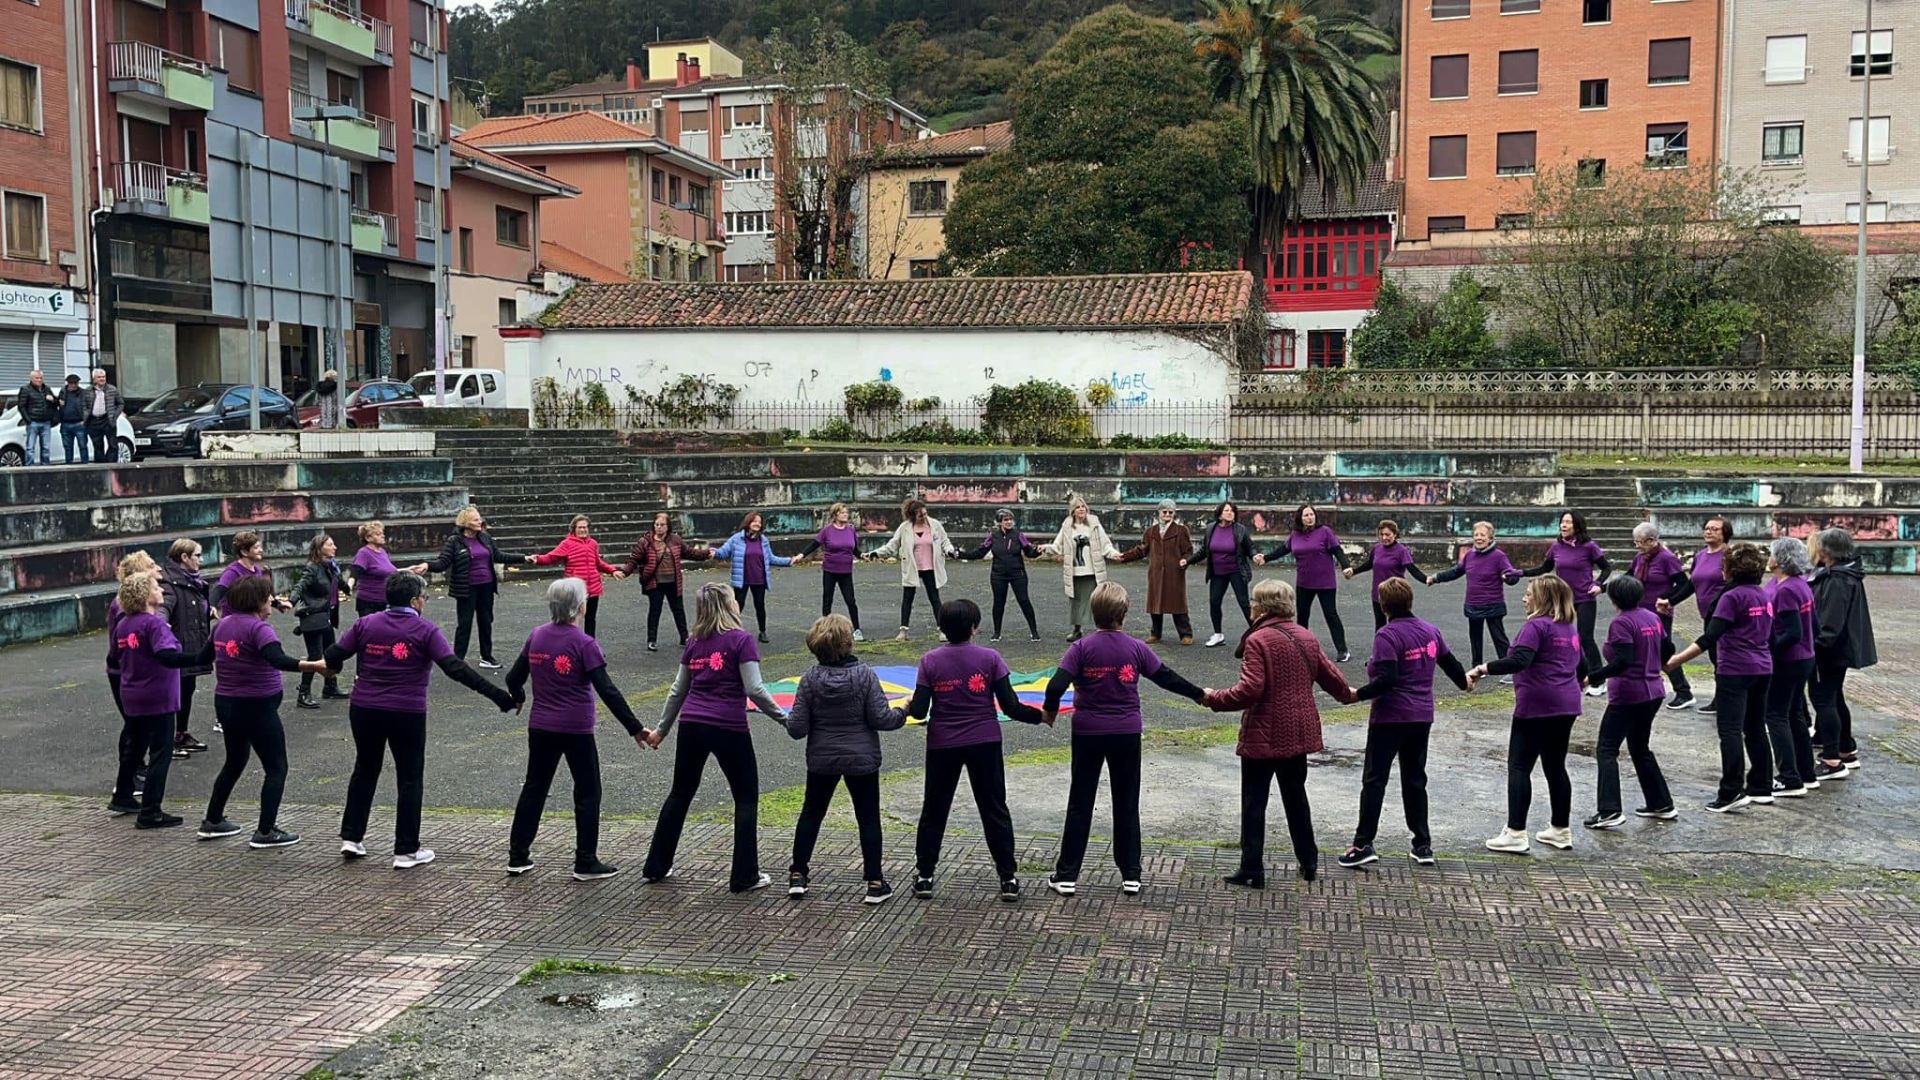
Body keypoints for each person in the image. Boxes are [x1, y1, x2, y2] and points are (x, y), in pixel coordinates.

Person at [317, 571, 516, 867]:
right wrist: (498, 695)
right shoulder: (425, 631)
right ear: (414, 601)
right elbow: (455, 668)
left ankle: (352, 837)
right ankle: (406, 849)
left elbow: (334, 654)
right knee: (409, 777)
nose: (425, 602)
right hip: (406, 710)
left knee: (365, 768)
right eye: (424, 597)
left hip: (365, 708)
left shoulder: (365, 624)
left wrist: (329, 667)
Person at [1041, 583, 1205, 897]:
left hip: (1088, 731)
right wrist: (1198, 694)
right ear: (1125, 614)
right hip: (1127, 732)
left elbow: (1055, 685)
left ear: (1093, 613)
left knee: (1080, 802)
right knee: (1126, 801)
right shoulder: (1136, 648)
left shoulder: (1081, 648)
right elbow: (1166, 677)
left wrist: (1050, 712)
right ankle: (1131, 874)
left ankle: (1066, 875)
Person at [642, 583, 788, 893]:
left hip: (692, 725)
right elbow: (754, 689)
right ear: (727, 606)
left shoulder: (695, 641)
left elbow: (678, 690)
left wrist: (661, 730)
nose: (738, 604)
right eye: (735, 600)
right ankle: (744, 875)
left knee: (680, 793)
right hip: (728, 727)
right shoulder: (742, 641)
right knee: (745, 797)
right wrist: (786, 719)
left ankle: (656, 865)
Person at [1204, 579, 1352, 886]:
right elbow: (1335, 681)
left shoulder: (1258, 641)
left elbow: (1249, 690)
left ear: (1260, 608)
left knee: (1254, 801)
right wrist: (1359, 694)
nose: (1250, 608)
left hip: (1263, 731)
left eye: (1252, 603)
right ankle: (1308, 861)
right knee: (1296, 796)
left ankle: (1252, 869)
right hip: (1298, 729)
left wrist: (1213, 698)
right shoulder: (1306, 636)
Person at [504, 578, 653, 881]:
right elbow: (607, 690)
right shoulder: (584, 643)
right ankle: (585, 860)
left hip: (541, 726)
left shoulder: (536, 637)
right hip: (576, 729)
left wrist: (519, 697)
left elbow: (512, 677)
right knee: (587, 791)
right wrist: (635, 728)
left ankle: (518, 856)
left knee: (535, 788)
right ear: (580, 607)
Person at [898, 598, 1046, 901]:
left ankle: (925, 875)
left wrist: (906, 705)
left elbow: (920, 711)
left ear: (941, 628)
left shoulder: (930, 661)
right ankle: (1008, 879)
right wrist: (1041, 716)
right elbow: (1011, 706)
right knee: (994, 809)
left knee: (934, 810)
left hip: (943, 744)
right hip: (985, 741)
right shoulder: (990, 659)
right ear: (975, 628)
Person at [1338, 578, 1468, 869]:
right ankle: (1422, 844)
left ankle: (1363, 843)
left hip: (1390, 717)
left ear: (1383, 605)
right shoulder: (1431, 631)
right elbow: (1452, 665)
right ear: (1410, 601)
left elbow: (1387, 679)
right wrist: (1464, 683)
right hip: (1421, 717)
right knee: (1415, 779)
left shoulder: (1387, 635)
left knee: (1375, 780)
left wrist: (1356, 694)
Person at [784, 613, 905, 904]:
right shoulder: (864, 675)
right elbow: (881, 718)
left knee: (811, 813)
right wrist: (905, 711)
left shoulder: (810, 679)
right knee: (868, 818)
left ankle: (798, 874)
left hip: (822, 758)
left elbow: (797, 728)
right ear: (848, 642)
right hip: (861, 757)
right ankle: (875, 881)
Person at [1467, 576, 1584, 853]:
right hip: (1566, 705)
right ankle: (1560, 829)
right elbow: (1583, 667)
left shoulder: (1536, 626)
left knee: (1519, 766)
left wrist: (1481, 669)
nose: (1524, 598)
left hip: (1537, 704)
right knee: (1556, 766)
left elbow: (1519, 661)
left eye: (1529, 594)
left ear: (1542, 599)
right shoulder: (1569, 629)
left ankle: (1516, 832)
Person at [198, 575, 308, 847]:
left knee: (234, 761)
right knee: (276, 767)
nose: (272, 602)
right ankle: (266, 830)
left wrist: (167, 658)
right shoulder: (260, 629)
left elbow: (201, 658)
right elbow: (278, 660)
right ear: (260, 602)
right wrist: (313, 665)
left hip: (226, 703)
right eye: (269, 597)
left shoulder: (222, 626)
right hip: (257, 705)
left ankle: (212, 820)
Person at [1667, 542, 1774, 814]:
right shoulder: (1762, 595)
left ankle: (1731, 790)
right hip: (1762, 668)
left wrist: (1677, 660)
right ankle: (1761, 785)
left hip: (1735, 670)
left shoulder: (1731, 598)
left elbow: (1709, 637)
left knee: (1730, 730)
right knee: (1755, 727)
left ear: (1731, 570)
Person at [107, 570, 214, 829]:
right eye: (156, 587)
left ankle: (122, 796)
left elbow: (116, 657)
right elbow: (166, 655)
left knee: (134, 749)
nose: (161, 591)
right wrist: (198, 657)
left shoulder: (125, 624)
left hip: (133, 694)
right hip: (157, 696)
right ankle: (151, 810)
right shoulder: (153, 624)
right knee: (160, 754)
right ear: (145, 594)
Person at [1582, 575, 1675, 829]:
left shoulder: (1621, 623)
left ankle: (1610, 809)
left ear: (1613, 598)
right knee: (1639, 747)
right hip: (1653, 691)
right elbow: (1668, 647)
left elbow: (1623, 661)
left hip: (1629, 694)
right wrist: (1655, 664)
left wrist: (1592, 678)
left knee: (1607, 748)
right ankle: (1661, 802)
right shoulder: (1651, 617)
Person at [416, 505, 523, 669]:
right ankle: (457, 659)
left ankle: (486, 657)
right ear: (466, 523)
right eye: (475, 519)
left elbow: (500, 555)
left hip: (486, 587)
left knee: (486, 621)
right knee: (464, 624)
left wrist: (524, 558)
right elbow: (442, 563)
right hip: (466, 589)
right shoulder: (455, 541)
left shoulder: (485, 538)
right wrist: (427, 565)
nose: (480, 521)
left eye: (479, 518)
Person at [1808, 527, 1875, 781]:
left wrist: (1815, 646)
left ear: (1826, 551)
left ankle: (1832, 757)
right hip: (1838, 647)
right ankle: (1845, 748)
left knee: (1824, 697)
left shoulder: (1838, 579)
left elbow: (1830, 623)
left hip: (1832, 649)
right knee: (1833, 696)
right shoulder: (1843, 574)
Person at [1523, 512, 1611, 693]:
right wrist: (1520, 573)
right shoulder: (1556, 547)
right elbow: (1544, 568)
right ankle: (1573, 674)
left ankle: (1598, 679)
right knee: (1562, 636)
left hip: (1585, 597)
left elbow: (1606, 567)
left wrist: (1598, 585)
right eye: (1562, 522)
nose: (1563, 525)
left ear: (1577, 526)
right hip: (1563, 599)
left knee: (1585, 638)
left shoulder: (1589, 547)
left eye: (1568, 522)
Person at [1255, 504, 1350, 661]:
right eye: (1306, 515)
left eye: (1311, 514)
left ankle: (1342, 650)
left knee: (1330, 614)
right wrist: (1265, 558)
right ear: (1300, 518)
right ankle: (1301, 648)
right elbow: (1283, 550)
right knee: (1302, 616)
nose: (1309, 518)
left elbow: (1337, 550)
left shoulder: (1324, 532)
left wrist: (1346, 566)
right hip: (1304, 582)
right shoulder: (1295, 534)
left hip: (1325, 582)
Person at [1762, 537, 1818, 799]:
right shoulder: (1800, 585)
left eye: (1772, 553)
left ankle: (1788, 777)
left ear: (1781, 559)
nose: (1768, 557)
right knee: (1795, 713)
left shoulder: (1786, 590)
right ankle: (1806, 772)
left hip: (1788, 660)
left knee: (1775, 715)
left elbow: (1793, 632)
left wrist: (1769, 652)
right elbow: (1812, 626)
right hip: (1804, 657)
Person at [1426, 521, 1522, 672]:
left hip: (1493, 604)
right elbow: (1456, 572)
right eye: (1476, 535)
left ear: (1490, 538)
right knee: (1475, 639)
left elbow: (1512, 576)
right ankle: (1477, 667)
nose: (1478, 538)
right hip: (1473, 604)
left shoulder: (1499, 556)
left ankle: (1508, 669)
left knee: (1499, 638)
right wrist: (1436, 577)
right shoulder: (1469, 555)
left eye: (1482, 535)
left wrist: (1507, 578)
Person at [105, 551, 161, 809]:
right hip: (126, 672)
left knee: (136, 728)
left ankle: (130, 781)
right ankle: (129, 779)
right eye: (150, 566)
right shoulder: (124, 607)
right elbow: (124, 642)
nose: (156, 569)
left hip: (127, 670)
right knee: (135, 727)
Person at [868, 499, 958, 642]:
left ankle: (942, 630)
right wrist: (877, 553)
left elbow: (944, 541)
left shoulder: (935, 525)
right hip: (912, 568)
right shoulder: (905, 528)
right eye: (920, 515)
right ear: (912, 516)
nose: (924, 516)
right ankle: (903, 631)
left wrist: (950, 551)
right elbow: (893, 545)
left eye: (925, 513)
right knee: (907, 599)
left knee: (935, 599)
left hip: (930, 567)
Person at [623, 511, 713, 652]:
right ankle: (652, 640)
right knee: (655, 611)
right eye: (657, 524)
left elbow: (690, 552)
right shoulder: (645, 541)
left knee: (678, 610)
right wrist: (624, 572)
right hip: (655, 582)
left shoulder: (675, 540)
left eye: (662, 525)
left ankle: (684, 637)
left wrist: (707, 554)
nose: (659, 527)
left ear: (668, 526)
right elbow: (634, 559)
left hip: (673, 581)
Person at [1628, 522, 1695, 710]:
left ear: (1651, 540)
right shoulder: (1640, 557)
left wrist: (1668, 600)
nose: (1637, 546)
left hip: (1659, 613)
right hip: (1639, 611)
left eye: (1640, 542)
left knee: (1662, 651)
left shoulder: (1667, 558)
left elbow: (1683, 584)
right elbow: (1629, 576)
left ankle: (1683, 691)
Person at [1672, 515, 1734, 713]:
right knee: (1716, 657)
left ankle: (1723, 699)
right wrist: (1670, 601)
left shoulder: (1729, 556)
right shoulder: (1700, 556)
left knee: (1721, 657)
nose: (1709, 532)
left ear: (1725, 534)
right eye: (1706, 528)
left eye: (1715, 529)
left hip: (1724, 615)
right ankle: (1722, 698)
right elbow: (1692, 584)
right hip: (1706, 615)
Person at [1112, 500, 1194, 645]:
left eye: (1170, 512)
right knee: (1155, 604)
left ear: (1174, 514)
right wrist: (1124, 557)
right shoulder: (1151, 531)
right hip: (1156, 573)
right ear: (1159, 513)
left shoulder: (1181, 531)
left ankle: (1186, 634)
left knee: (1178, 604)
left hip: (1174, 573)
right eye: (1164, 512)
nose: (1167, 514)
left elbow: (1188, 551)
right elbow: (1141, 550)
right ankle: (1156, 633)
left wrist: (1184, 560)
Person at [158, 539, 214, 754]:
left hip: (191, 644)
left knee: (187, 690)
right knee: (175, 694)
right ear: (184, 557)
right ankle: (169, 740)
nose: (201, 560)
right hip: (179, 647)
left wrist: (206, 611)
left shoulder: (193, 582)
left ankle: (181, 734)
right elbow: (163, 607)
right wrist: (161, 624)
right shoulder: (170, 583)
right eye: (197, 555)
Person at [528, 515, 620, 639]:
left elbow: (598, 563)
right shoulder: (567, 544)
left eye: (585, 527)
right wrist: (537, 559)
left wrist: (612, 570)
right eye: (580, 527)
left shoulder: (593, 543)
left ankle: (590, 646)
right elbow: (551, 557)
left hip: (593, 588)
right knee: (571, 619)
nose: (583, 530)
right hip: (575, 589)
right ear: (574, 529)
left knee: (590, 619)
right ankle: (571, 645)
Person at [959, 508, 1042, 642]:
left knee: (1024, 600)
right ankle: (997, 632)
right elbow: (980, 552)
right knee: (999, 602)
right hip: (998, 574)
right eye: (1005, 520)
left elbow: (1029, 552)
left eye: (1010, 519)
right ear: (999, 522)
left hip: (1017, 573)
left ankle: (1034, 632)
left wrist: (1037, 552)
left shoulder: (1018, 535)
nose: (1009, 522)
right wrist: (961, 554)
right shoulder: (993, 536)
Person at [1039, 496, 1115, 642]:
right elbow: (1057, 546)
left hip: (1092, 571)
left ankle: (1102, 630)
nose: (1081, 509)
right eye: (1078, 507)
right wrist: (1045, 548)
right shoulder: (1067, 526)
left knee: (1096, 601)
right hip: (1074, 571)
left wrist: (1114, 554)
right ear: (1073, 511)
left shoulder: (1094, 523)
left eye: (1083, 507)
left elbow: (1105, 543)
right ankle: (1077, 629)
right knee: (1075, 601)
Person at [713, 511, 790, 644]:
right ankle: (732, 631)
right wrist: (712, 552)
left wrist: (789, 561)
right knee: (738, 605)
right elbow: (723, 552)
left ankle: (762, 631)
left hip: (759, 579)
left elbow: (771, 558)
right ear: (748, 522)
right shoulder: (736, 539)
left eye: (759, 522)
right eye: (755, 521)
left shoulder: (763, 540)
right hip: (741, 579)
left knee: (760, 605)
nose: (757, 524)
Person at [795, 502, 866, 642]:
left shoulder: (851, 530)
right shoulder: (827, 531)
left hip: (846, 570)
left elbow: (855, 550)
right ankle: (824, 629)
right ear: (835, 515)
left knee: (850, 600)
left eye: (846, 512)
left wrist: (862, 555)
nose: (846, 515)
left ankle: (857, 629)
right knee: (827, 599)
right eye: (842, 512)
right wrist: (801, 555)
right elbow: (814, 545)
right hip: (830, 570)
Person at [292, 532, 347, 709]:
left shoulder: (331, 566)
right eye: (330, 544)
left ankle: (330, 687)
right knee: (315, 656)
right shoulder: (312, 567)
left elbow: (339, 583)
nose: (335, 547)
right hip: (313, 618)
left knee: (331, 652)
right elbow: (300, 585)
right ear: (320, 547)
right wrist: (290, 601)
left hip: (327, 617)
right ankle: (303, 693)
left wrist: (348, 587)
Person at [1344, 519, 1428, 631]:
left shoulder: (1401, 551)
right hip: (1378, 593)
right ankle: (1380, 647)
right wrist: (1354, 572)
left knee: (1397, 625)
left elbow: (1412, 569)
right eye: (1381, 534)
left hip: (1395, 594)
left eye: (1387, 534)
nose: (1384, 538)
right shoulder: (1377, 548)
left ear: (1395, 534)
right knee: (1380, 626)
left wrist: (1426, 579)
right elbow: (1369, 564)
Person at [1199, 500, 1255, 648]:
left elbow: (1250, 548)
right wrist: (1188, 561)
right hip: (1218, 573)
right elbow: (1204, 550)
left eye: (1232, 511)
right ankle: (1218, 635)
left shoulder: (1240, 529)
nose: (1231, 513)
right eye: (1227, 511)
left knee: (1244, 603)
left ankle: (1256, 632)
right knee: (1214, 602)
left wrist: (1255, 556)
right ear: (1219, 514)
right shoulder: (1211, 529)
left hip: (1236, 571)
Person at [210, 532, 290, 618]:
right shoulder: (233, 571)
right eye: (256, 548)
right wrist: (211, 606)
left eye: (260, 546)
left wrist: (277, 604)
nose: (261, 550)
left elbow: (259, 596)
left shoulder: (257, 570)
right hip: (236, 620)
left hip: (254, 619)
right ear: (244, 552)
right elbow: (219, 589)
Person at [346, 521, 397, 619]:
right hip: (369, 603)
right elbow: (356, 571)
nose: (382, 536)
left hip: (384, 601)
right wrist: (349, 585)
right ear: (368, 538)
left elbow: (388, 570)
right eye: (378, 534)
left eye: (382, 533)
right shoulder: (364, 553)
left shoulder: (382, 552)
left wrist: (409, 570)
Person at [14, 369, 57, 465]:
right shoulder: (26, 389)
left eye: (41, 378)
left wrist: (53, 400)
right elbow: (21, 406)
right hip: (33, 422)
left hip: (46, 422)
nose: (39, 380)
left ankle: (45, 466)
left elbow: (56, 404)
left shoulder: (47, 389)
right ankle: (29, 467)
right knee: (30, 447)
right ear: (32, 379)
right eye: (37, 378)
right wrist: (28, 420)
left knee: (46, 447)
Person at [84, 368, 125, 463]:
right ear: (94, 379)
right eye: (99, 377)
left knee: (113, 444)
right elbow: (84, 405)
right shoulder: (88, 391)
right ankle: (100, 467)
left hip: (107, 419)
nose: (102, 379)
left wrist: (114, 416)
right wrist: (86, 416)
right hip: (94, 421)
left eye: (103, 377)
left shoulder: (112, 389)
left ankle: (111, 466)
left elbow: (121, 403)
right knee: (98, 446)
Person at [57, 373, 90, 464]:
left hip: (79, 423)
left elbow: (88, 407)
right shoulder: (63, 392)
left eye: (75, 383)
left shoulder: (83, 393)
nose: (73, 385)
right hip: (65, 423)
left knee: (83, 446)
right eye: (71, 383)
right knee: (67, 447)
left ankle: (85, 464)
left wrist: (85, 420)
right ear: (68, 383)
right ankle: (69, 466)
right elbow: (57, 404)